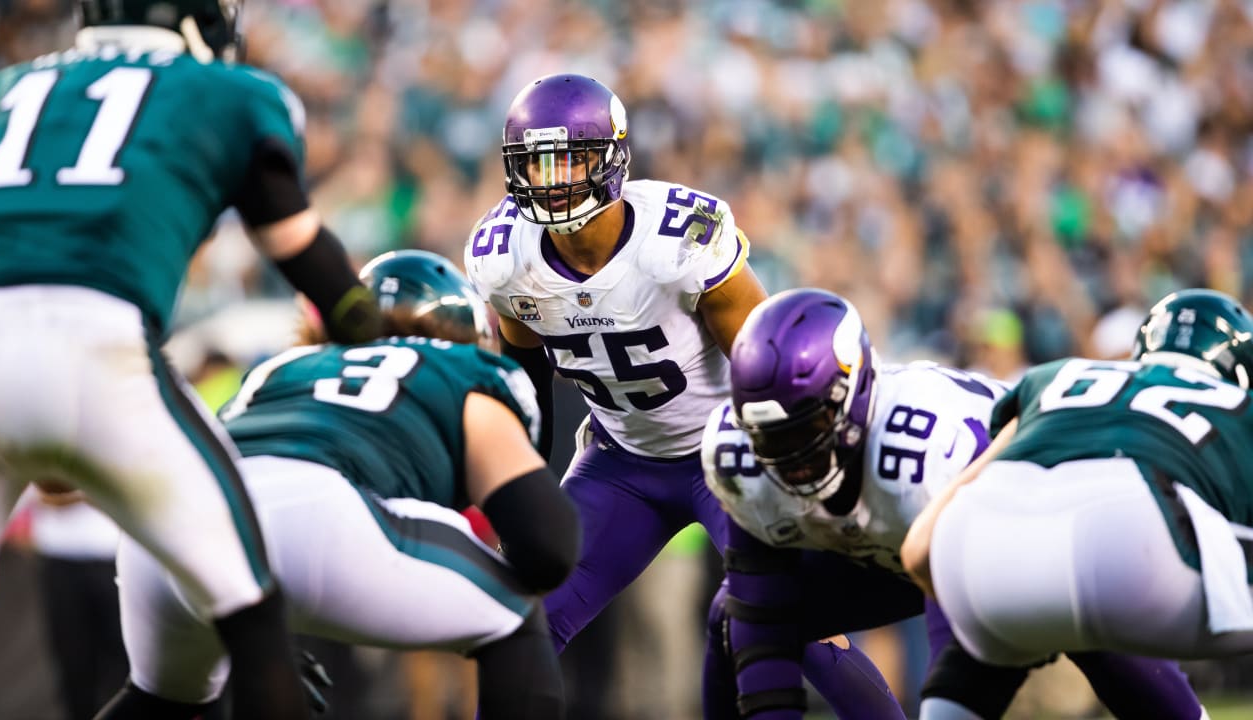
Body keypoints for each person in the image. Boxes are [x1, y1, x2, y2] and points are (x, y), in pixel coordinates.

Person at [0, 1, 385, 716]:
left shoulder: (0, 91)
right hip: (97, 349)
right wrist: (368, 328)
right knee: (255, 623)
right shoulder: (232, 94)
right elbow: (309, 263)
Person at [464, 73, 908, 718]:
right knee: (520, 623)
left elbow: (768, 357)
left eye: (571, 159)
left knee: (792, 620)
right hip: (621, 463)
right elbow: (524, 372)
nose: (555, 180)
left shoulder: (677, 240)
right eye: (538, 163)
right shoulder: (508, 259)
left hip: (726, 454)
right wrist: (522, 484)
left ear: (614, 156)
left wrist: (793, 471)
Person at [97, 250, 581, 720]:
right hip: (308, 512)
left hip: (164, 536)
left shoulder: (279, 368)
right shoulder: (462, 369)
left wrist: (260, 644)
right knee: (516, 622)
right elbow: (547, 547)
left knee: (161, 702)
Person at [703, 288, 1207, 720]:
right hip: (908, 543)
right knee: (736, 613)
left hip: (1029, 519)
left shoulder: (923, 455)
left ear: (851, 394)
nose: (790, 461)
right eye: (770, 440)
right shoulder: (739, 460)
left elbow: (959, 638)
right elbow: (763, 618)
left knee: (1089, 631)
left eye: (806, 431)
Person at [903, 288, 1253, 668]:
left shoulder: (1056, 375)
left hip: (975, 544)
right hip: (1135, 549)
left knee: (999, 634)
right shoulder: (1237, 404)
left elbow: (919, 548)